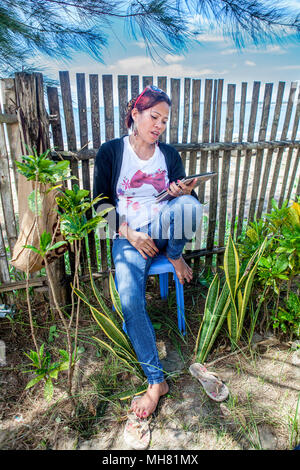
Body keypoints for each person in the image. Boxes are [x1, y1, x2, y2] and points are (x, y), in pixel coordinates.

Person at [93, 85, 203, 419]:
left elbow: (185, 206)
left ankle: (173, 254)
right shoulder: (112, 152)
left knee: (189, 203)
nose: (159, 125)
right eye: (154, 117)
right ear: (136, 114)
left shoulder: (169, 155)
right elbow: (98, 205)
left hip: (162, 228)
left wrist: (178, 191)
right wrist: (129, 233)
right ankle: (156, 382)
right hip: (128, 237)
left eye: (165, 120)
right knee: (131, 303)